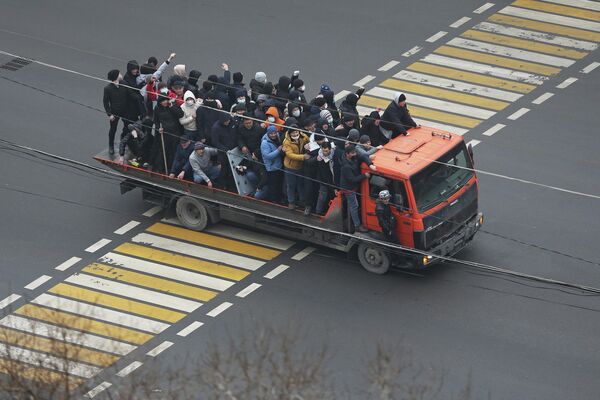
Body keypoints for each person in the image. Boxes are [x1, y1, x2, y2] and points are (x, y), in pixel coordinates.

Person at [340, 145, 370, 233]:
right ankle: (357, 225)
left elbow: (362, 156)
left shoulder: (353, 158)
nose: (355, 154)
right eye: (353, 153)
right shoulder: (346, 166)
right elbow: (352, 179)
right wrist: (364, 176)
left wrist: (369, 163)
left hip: (352, 186)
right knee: (354, 206)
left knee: (354, 205)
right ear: (347, 154)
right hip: (349, 188)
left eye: (355, 152)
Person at [103, 69, 130, 155]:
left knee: (127, 127)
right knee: (113, 129)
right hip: (115, 112)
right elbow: (105, 102)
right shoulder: (108, 88)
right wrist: (109, 114)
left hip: (125, 111)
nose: (121, 75)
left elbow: (130, 94)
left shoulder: (124, 84)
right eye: (119, 74)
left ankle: (124, 141)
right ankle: (111, 145)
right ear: (116, 77)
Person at [260, 125, 284, 202]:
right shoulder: (265, 143)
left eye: (275, 133)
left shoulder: (277, 137)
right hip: (272, 168)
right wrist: (278, 150)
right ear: (268, 133)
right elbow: (267, 156)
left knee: (279, 184)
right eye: (271, 133)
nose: (273, 135)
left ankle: (278, 199)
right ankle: (273, 201)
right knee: (273, 186)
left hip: (278, 165)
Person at [315, 141, 336, 215]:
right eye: (323, 150)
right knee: (322, 197)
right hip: (324, 180)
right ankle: (318, 212)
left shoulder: (334, 156)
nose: (324, 153)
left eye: (326, 151)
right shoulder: (320, 157)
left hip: (331, 180)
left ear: (330, 149)